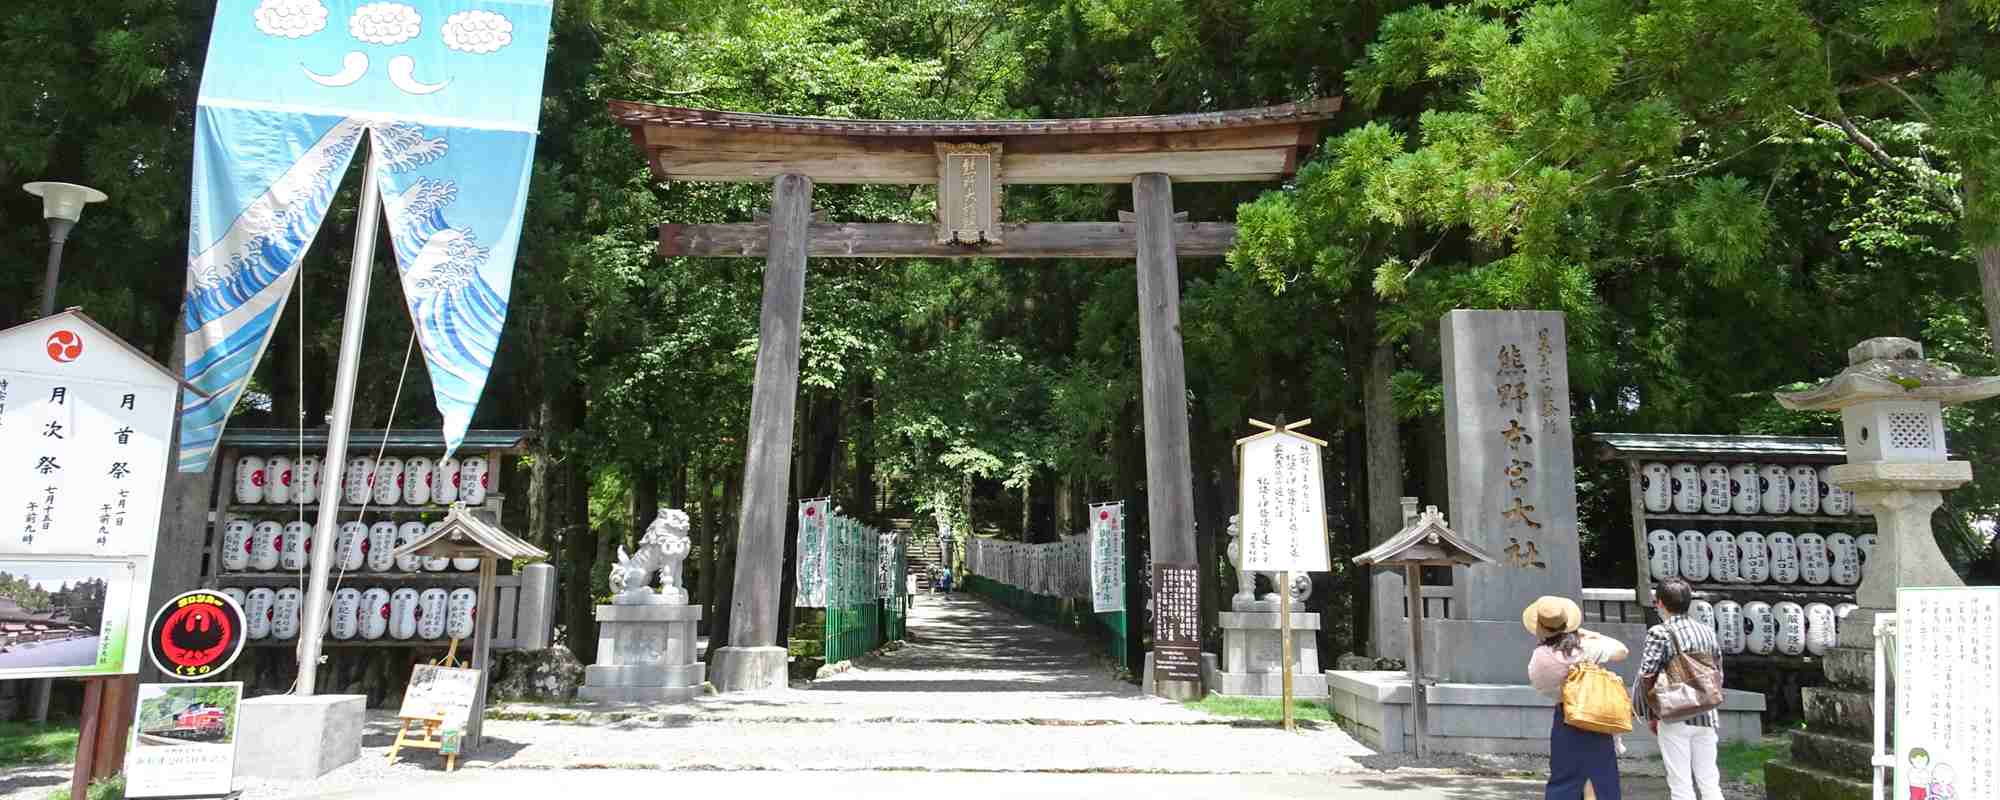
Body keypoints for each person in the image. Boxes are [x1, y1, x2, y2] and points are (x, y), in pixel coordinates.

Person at [1526, 595, 1630, 800]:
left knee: (1564, 777)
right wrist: (1592, 634)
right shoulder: (1584, 648)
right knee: (1600, 775)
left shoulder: (1540, 656)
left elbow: (1539, 684)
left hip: (1565, 715)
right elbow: (1622, 651)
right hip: (1595, 715)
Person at [1635, 578, 1724, 800]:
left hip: (1676, 714)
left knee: (1681, 785)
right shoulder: (1707, 632)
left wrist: (1649, 712)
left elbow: (1647, 674)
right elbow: (1718, 671)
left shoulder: (1660, 632)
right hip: (1706, 712)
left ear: (1660, 603)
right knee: (1710, 781)